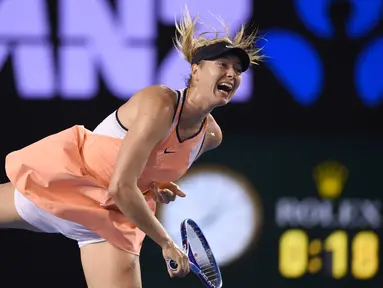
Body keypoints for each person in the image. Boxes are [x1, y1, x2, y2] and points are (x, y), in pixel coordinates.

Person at [0, 6, 262, 288]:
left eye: (237, 70)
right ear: (196, 71)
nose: (232, 74)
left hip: (110, 221)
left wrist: (153, 186)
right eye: (222, 65)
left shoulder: (211, 136)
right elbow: (121, 186)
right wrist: (166, 243)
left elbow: (149, 166)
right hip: (67, 183)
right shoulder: (160, 103)